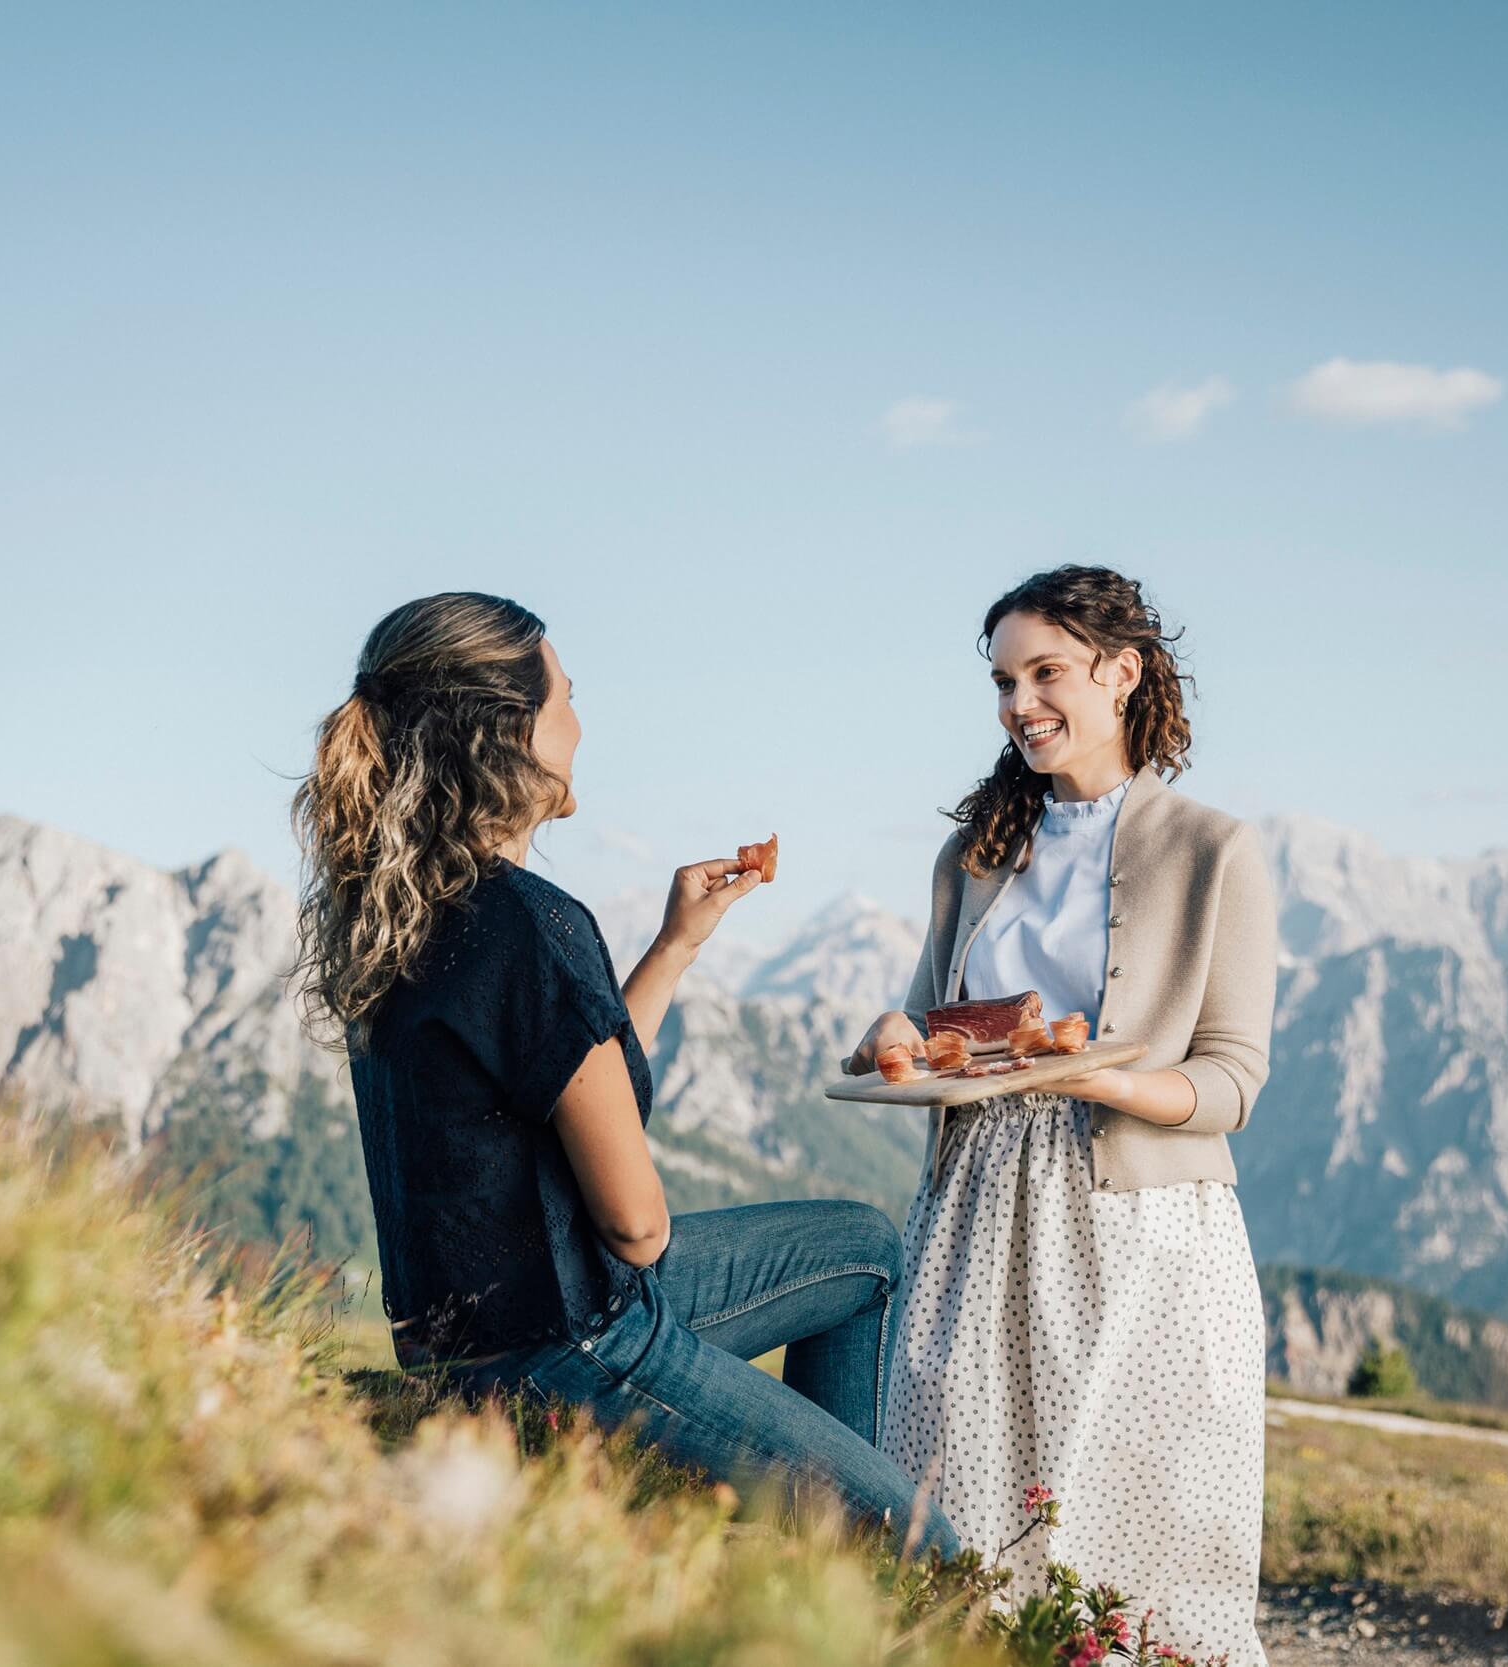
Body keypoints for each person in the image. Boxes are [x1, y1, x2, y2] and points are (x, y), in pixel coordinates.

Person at [294, 589, 959, 1557]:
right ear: (510, 730)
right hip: (576, 1346)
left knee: (860, 1246)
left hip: (470, 1341)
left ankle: (821, 1548)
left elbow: (571, 1071)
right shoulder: (530, 919)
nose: (579, 717)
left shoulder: (408, 913)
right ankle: (860, 1552)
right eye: (565, 693)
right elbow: (636, 1228)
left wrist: (675, 946)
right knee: (926, 1548)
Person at [850, 565, 1276, 1660]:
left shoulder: (1215, 851)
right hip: (975, 1206)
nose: (1018, 703)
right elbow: (929, 1011)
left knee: (1150, 1528)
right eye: (1003, 680)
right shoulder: (975, 849)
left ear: (1121, 671)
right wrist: (896, 1035)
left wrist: (1102, 1081)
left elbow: (1229, 1079)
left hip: (1143, 1226)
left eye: (1045, 672)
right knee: (958, 1509)